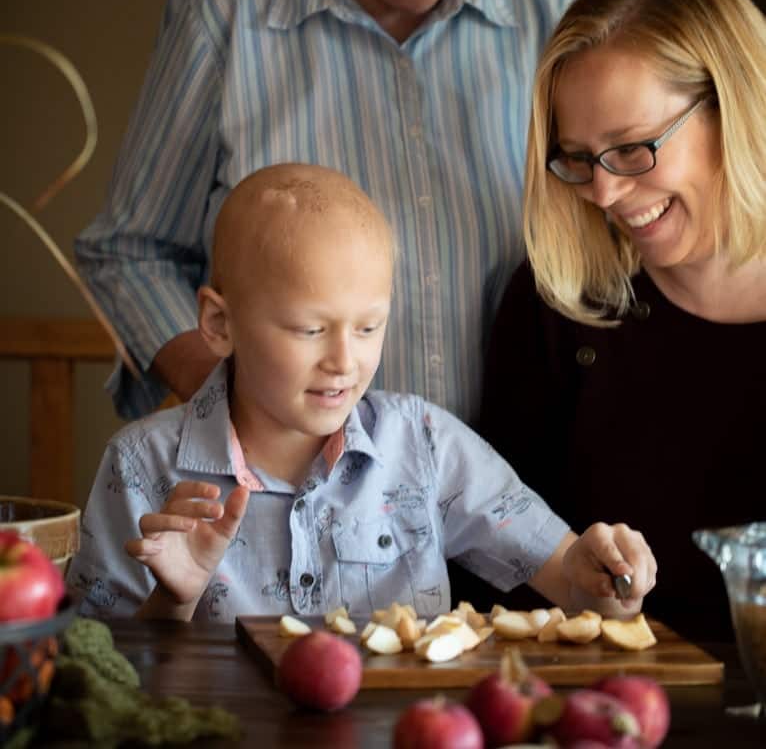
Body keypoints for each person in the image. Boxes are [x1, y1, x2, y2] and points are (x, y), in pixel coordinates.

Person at [74, 0, 576, 425]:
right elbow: (129, 254)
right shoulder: (222, 18)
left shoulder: (558, 27)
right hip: (285, 511)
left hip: (513, 492)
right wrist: (241, 408)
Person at [67, 163, 656, 623]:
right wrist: (173, 601)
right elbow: (100, 676)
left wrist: (604, 575)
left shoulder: (424, 445)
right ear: (220, 324)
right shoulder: (140, 467)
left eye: (369, 327)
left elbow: (571, 582)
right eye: (311, 330)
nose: (345, 362)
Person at [479, 0, 766, 641]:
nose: (602, 193)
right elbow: (496, 569)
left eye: (633, 148)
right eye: (577, 157)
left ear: (734, 104)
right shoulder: (554, 307)